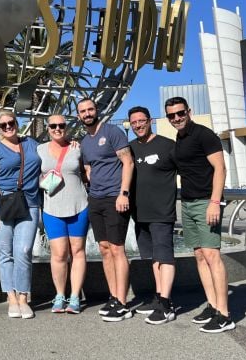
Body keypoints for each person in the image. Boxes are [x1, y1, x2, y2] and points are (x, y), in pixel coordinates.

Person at [164, 96, 234, 333]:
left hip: (206, 202)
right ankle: (213, 306)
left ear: (189, 111)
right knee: (200, 256)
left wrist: (215, 202)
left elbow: (220, 168)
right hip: (189, 202)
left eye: (180, 113)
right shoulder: (180, 138)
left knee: (212, 255)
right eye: (171, 115)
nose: (176, 118)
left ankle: (224, 314)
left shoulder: (204, 135)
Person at [0, 110, 42, 319]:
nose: (8, 127)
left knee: (24, 250)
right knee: (5, 253)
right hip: (3, 203)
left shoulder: (31, 143)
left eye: (11, 122)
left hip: (30, 203)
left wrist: (72, 144)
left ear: (17, 123)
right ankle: (11, 297)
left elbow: (52, 151)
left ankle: (24, 297)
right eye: (3, 125)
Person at [77, 98, 134, 322]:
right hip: (96, 198)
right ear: (79, 116)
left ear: (97, 110)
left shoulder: (113, 132)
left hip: (115, 197)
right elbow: (89, 168)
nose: (87, 113)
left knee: (117, 248)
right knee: (103, 248)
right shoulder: (84, 141)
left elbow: (128, 163)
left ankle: (122, 302)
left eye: (90, 109)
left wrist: (124, 193)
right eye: (83, 111)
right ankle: (113, 296)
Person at [127, 106, 178, 325]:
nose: (138, 125)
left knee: (164, 256)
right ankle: (158, 297)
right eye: (134, 122)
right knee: (154, 258)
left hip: (162, 212)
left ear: (150, 121)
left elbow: (189, 167)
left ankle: (166, 304)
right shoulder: (129, 148)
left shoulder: (168, 146)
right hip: (139, 213)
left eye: (142, 121)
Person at [37, 114, 88, 314]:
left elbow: (88, 172)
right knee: (58, 254)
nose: (57, 128)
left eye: (61, 125)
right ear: (48, 128)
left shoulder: (77, 148)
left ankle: (74, 296)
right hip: (52, 208)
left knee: (78, 252)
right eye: (53, 125)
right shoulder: (39, 149)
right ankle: (60, 295)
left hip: (79, 206)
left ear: (67, 127)